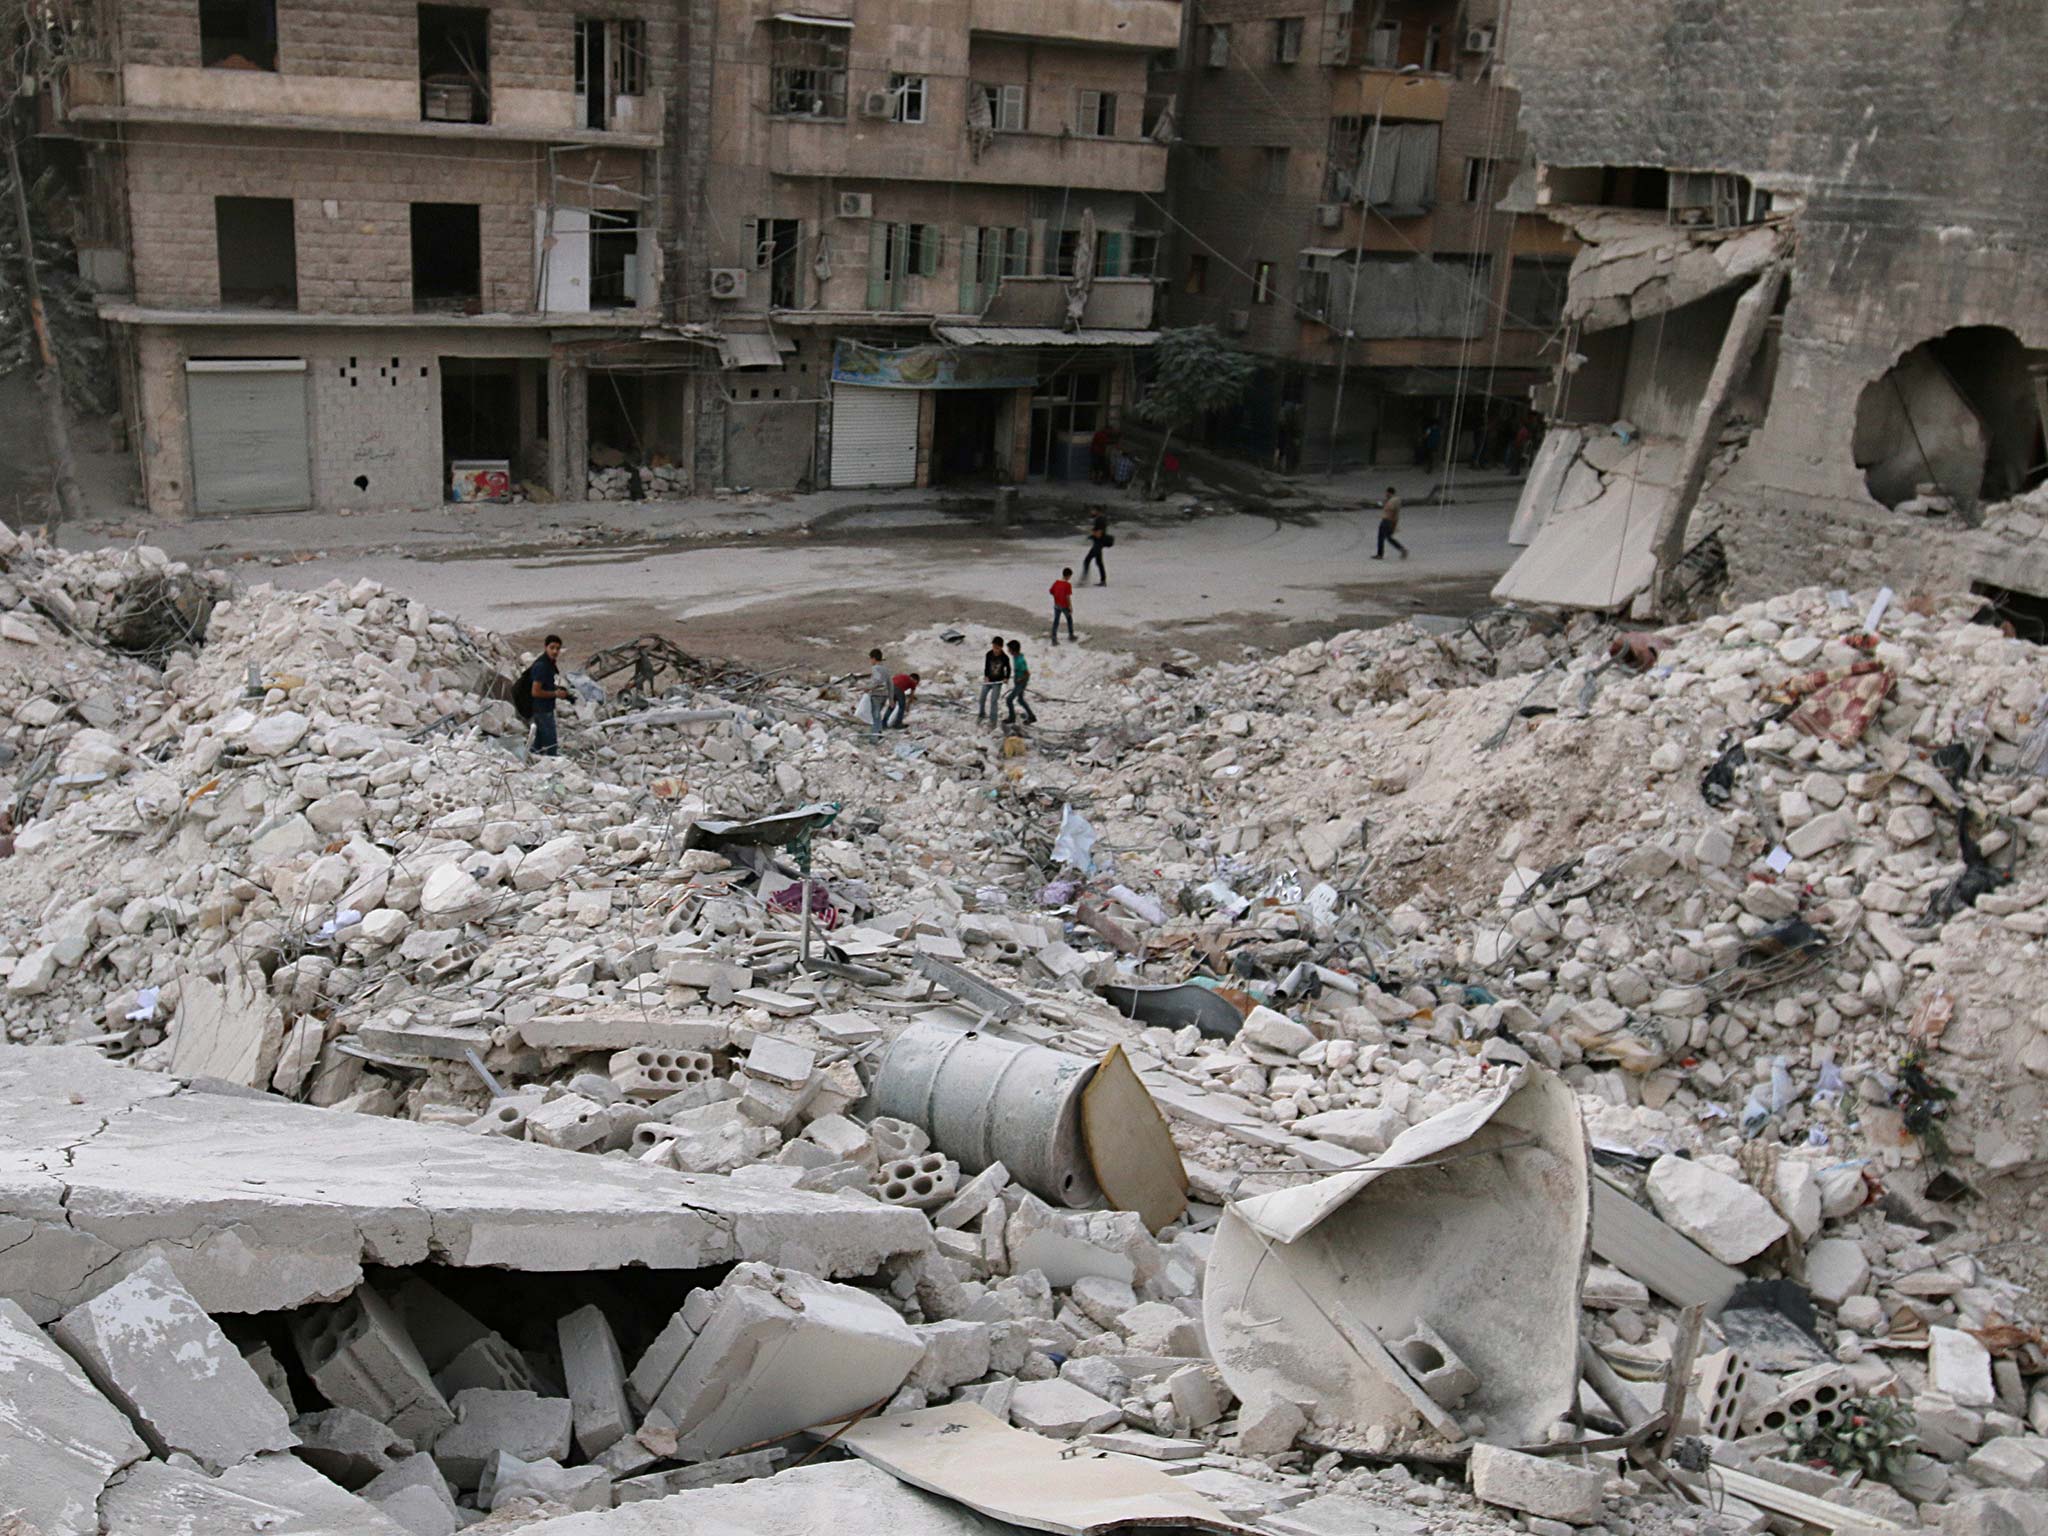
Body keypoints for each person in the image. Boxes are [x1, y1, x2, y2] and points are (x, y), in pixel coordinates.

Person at [527, 634, 570, 755]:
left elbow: (545, 685)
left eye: (557, 648)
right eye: (552, 648)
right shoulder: (542, 666)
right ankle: (554, 767)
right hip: (542, 710)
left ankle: (531, 761)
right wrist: (555, 693)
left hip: (543, 708)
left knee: (538, 743)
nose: (555, 651)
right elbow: (535, 692)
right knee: (551, 744)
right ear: (546, 647)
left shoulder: (548, 663)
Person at [977, 637, 1011, 723]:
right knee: (982, 698)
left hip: (997, 682)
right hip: (989, 680)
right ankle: (981, 714)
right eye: (994, 647)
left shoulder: (1005, 658)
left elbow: (1008, 669)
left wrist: (1006, 678)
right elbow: (986, 667)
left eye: (997, 648)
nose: (995, 649)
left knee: (993, 701)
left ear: (1001, 647)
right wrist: (986, 676)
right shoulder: (989, 654)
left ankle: (993, 720)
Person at [1004, 639, 1036, 726]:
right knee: (1021, 700)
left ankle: (1012, 717)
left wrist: (1020, 679)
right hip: (1019, 682)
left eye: (1009, 649)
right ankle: (1031, 716)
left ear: (1013, 650)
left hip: (1021, 683)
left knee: (1009, 700)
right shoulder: (1016, 657)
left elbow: (1027, 673)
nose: (1008, 651)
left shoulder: (1020, 661)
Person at [1374, 486, 1408, 561]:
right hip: (1391, 521)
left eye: (1386, 493)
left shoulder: (1392, 501)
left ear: (1389, 493)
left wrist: (1384, 505)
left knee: (1381, 537)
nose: (1385, 494)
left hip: (1386, 521)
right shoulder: (1394, 500)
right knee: (1389, 538)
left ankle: (1380, 554)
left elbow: (1390, 509)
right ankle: (1402, 549)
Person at [865, 648, 892, 739]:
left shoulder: (875, 668)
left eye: (870, 659)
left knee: (875, 717)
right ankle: (879, 733)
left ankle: (874, 738)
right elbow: (890, 684)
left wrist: (866, 688)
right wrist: (891, 699)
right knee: (878, 715)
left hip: (876, 695)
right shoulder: (886, 669)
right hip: (884, 695)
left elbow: (876, 682)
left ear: (873, 658)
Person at [1082, 512, 1110, 587]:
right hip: (1098, 544)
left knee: (1087, 560)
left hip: (1098, 544)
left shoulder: (1100, 520)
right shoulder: (1101, 519)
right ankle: (1103, 581)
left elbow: (1098, 534)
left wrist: (1092, 533)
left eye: (1093, 510)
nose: (1091, 512)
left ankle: (1083, 580)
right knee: (1099, 562)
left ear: (1097, 511)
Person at [1049, 568, 1076, 645]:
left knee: (1056, 621)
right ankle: (1071, 635)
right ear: (1068, 576)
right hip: (1064, 605)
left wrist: (1057, 596)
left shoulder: (1056, 583)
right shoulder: (1067, 585)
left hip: (1057, 604)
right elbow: (1067, 597)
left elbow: (1051, 591)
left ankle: (1054, 638)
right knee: (1069, 619)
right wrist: (1070, 606)